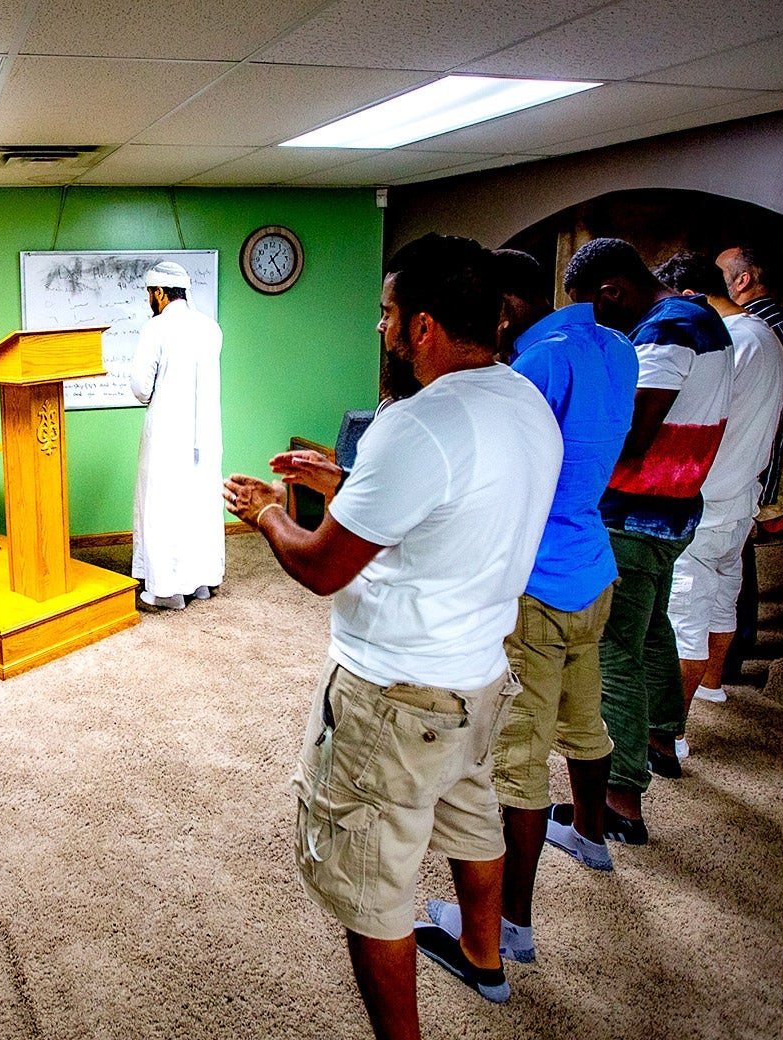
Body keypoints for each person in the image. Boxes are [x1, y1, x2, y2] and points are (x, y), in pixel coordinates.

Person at [224, 234, 561, 1039]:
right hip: (477, 675)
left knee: (372, 879)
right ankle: (484, 955)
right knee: (471, 814)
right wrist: (339, 483)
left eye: (386, 314)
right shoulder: (522, 404)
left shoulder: (418, 424)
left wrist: (268, 510)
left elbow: (322, 567)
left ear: (422, 327)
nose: (380, 329)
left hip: (394, 693)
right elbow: (447, 509)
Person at [425, 250, 636, 966]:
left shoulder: (537, 364)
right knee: (586, 715)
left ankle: (508, 926)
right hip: (593, 566)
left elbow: (497, 467)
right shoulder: (620, 350)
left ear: (507, 308)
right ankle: (588, 836)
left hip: (537, 579)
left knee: (515, 758)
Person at [562, 238, 732, 843]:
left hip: (637, 515)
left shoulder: (665, 331)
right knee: (653, 624)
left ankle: (620, 798)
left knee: (612, 649)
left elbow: (629, 435)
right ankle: (662, 737)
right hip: (678, 507)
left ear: (611, 291)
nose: (595, 325)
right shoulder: (705, 319)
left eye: (592, 309)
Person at [654, 252, 783, 742]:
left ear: (689, 297)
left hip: (707, 496)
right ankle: (711, 686)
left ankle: (668, 735)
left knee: (681, 615)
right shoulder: (766, 336)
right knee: (720, 601)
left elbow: (698, 413)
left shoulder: (728, 341)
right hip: (740, 494)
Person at [715, 244, 783, 675]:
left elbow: (769, 412)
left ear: (743, 279)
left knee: (735, 562)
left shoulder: (760, 328)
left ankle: (732, 654)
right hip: (755, 464)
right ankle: (730, 654)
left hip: (751, 465)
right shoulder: (775, 326)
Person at [129, 260, 224, 610]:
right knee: (198, 504)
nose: (149, 301)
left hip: (167, 435)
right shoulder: (211, 329)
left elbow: (140, 387)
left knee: (162, 507)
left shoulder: (156, 329)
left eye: (149, 295)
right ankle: (199, 582)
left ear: (158, 293)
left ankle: (166, 590)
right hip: (206, 435)